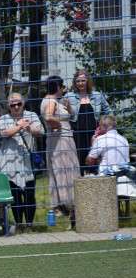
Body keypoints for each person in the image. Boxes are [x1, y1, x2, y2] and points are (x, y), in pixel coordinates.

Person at [0, 93, 45, 230]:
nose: (16, 107)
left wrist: (28, 128)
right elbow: (4, 132)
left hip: (27, 161)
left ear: (24, 103)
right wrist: (19, 126)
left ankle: (29, 223)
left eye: (19, 104)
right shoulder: (4, 118)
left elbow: (40, 130)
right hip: (10, 162)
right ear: (8, 106)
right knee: (15, 194)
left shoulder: (32, 115)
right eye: (13, 105)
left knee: (30, 193)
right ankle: (19, 223)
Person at [41, 76, 80, 219]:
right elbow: (48, 116)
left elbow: (71, 116)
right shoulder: (51, 101)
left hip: (59, 139)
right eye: (63, 87)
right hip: (61, 140)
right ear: (58, 87)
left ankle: (61, 205)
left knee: (59, 170)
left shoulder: (53, 100)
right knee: (65, 170)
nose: (63, 90)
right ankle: (65, 204)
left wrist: (68, 107)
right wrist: (57, 123)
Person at [65, 70, 112, 174]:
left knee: (94, 159)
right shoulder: (69, 96)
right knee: (78, 161)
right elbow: (60, 112)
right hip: (76, 134)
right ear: (75, 82)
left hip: (94, 134)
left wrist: (106, 126)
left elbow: (109, 111)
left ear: (88, 81)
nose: (80, 83)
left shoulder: (97, 96)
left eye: (83, 81)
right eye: (78, 81)